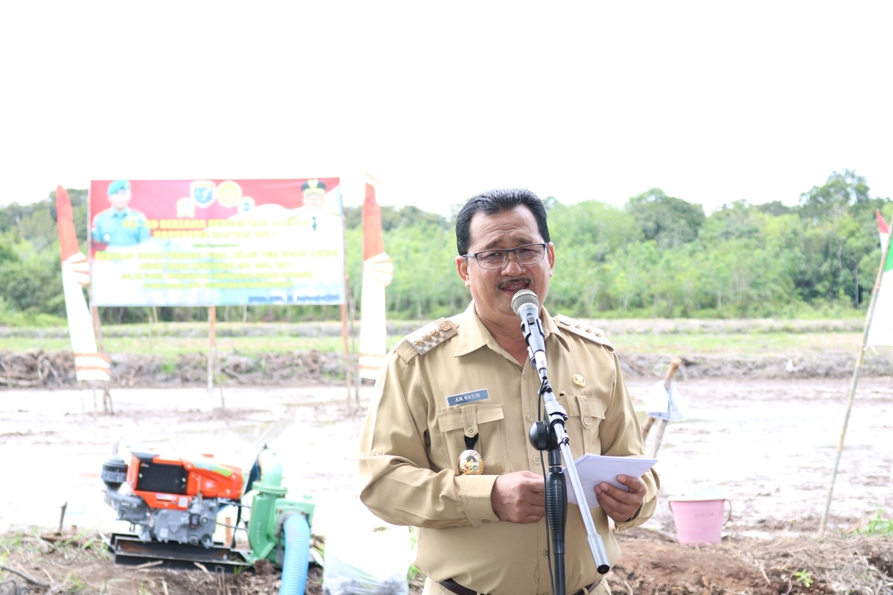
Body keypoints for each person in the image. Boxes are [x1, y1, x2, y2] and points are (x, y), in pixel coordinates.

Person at [358, 188, 660, 595]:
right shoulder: (417, 363)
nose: (513, 267)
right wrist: (488, 496)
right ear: (465, 269)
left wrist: (635, 501)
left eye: (526, 249)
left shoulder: (594, 355)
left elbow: (637, 467)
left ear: (550, 257)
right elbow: (381, 483)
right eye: (493, 254)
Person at [91, 180, 151, 246]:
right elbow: (95, 248)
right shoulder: (100, 220)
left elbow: (145, 246)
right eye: (116, 194)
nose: (120, 198)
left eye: (123, 193)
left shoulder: (140, 219)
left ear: (129, 196)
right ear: (109, 197)